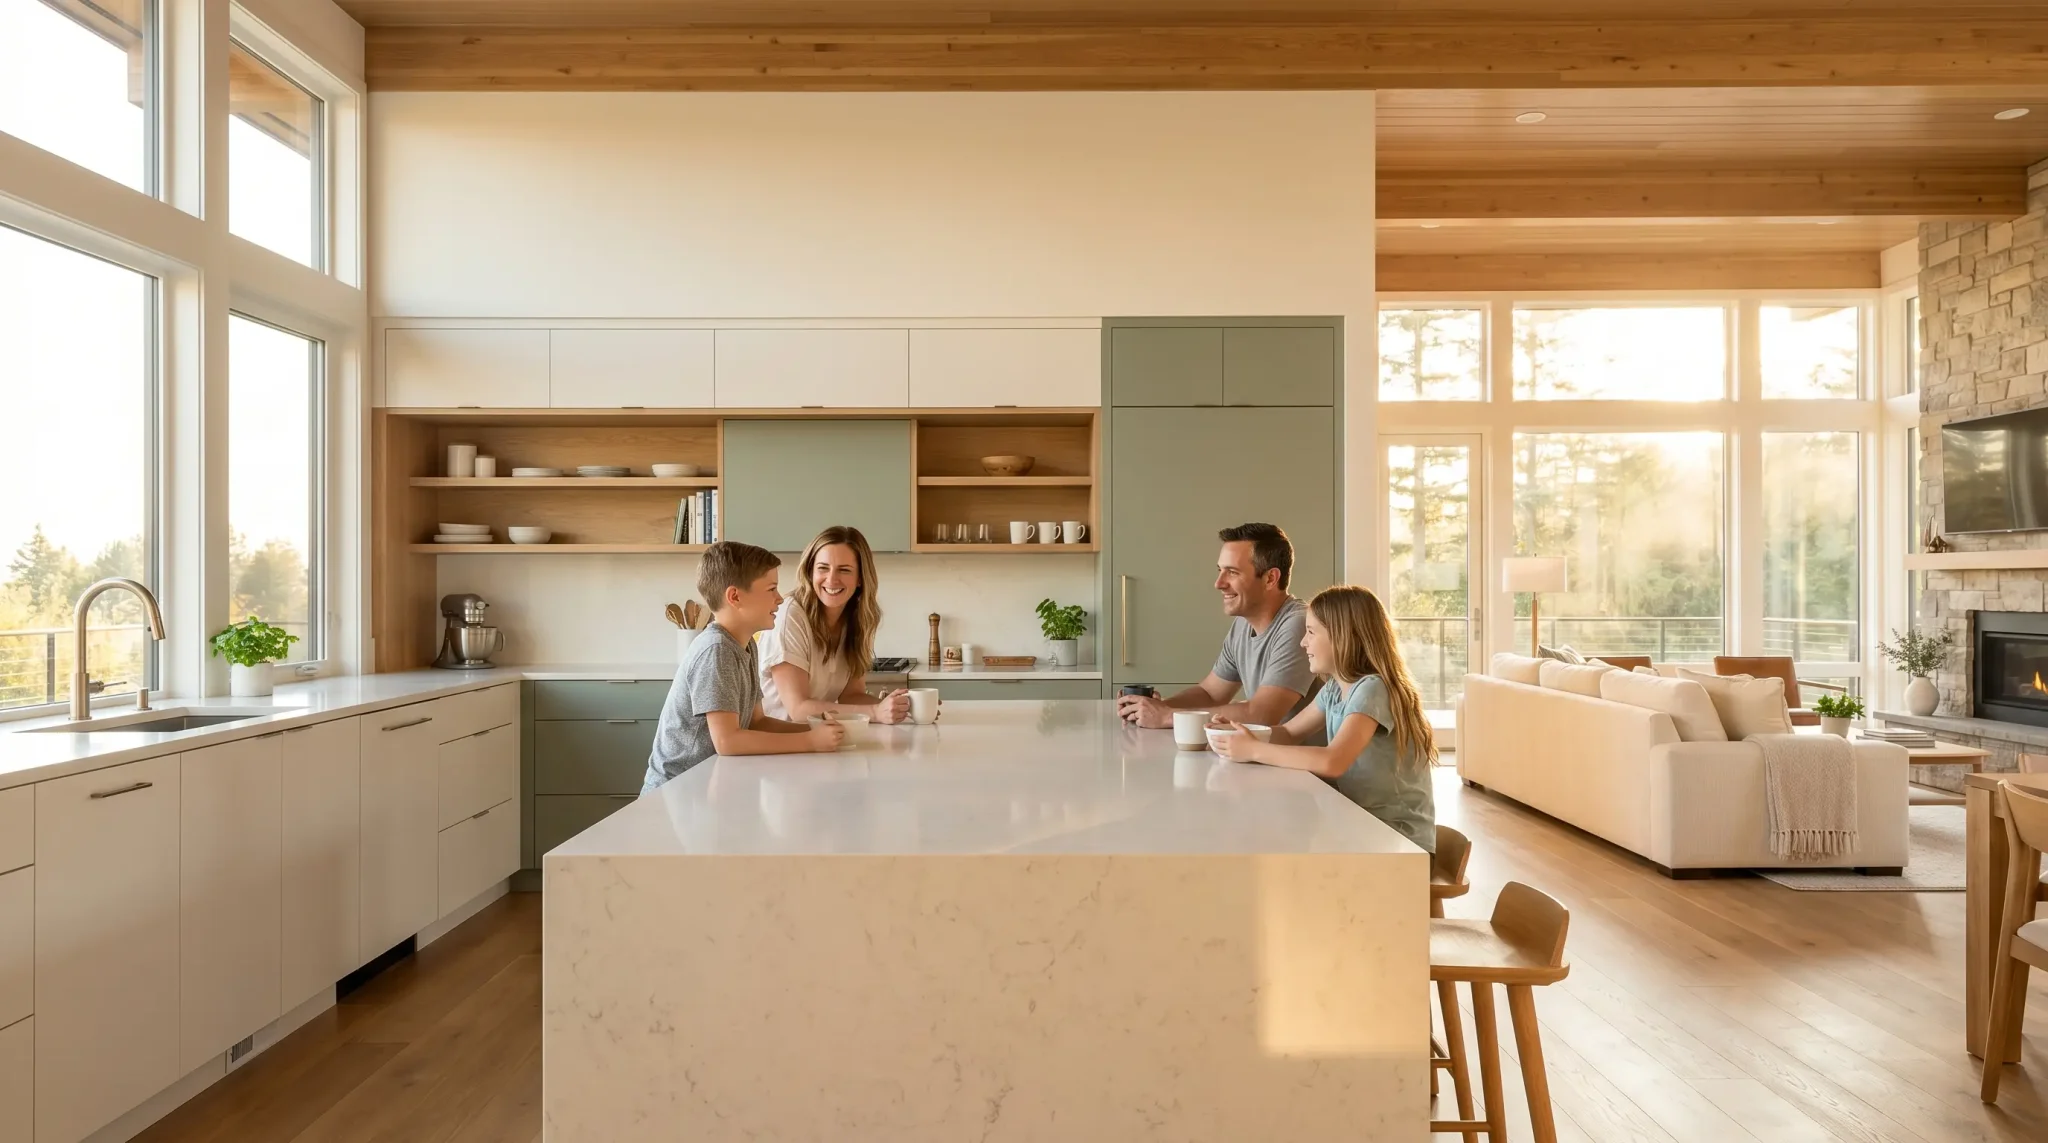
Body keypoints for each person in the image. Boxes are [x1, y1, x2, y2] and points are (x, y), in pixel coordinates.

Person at [1210, 584, 1436, 854]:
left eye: (1310, 632)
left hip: (1398, 841)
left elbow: (1333, 761)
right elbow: (1289, 733)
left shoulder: (1372, 689)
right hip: (1360, 829)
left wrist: (1255, 749)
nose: (1303, 642)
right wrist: (1240, 733)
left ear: (1342, 637)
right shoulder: (1334, 688)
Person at [642, 540, 844, 794]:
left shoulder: (746, 645)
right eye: (771, 589)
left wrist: (815, 728)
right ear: (735, 596)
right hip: (675, 794)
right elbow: (728, 741)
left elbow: (757, 722)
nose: (780, 598)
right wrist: (811, 741)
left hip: (704, 789)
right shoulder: (716, 650)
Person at [1115, 522, 1316, 731]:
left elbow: (1262, 714)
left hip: (1301, 762)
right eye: (1220, 570)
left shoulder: (1300, 624)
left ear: (1270, 578)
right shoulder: (1242, 624)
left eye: (1232, 572)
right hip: (1267, 757)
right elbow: (1210, 693)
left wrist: (1168, 716)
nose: (1218, 583)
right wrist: (1159, 707)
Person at [760, 525, 912, 724]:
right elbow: (799, 709)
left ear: (860, 578)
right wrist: (875, 712)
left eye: (844, 570)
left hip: (819, 739)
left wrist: (902, 708)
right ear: (810, 572)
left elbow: (852, 696)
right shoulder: (790, 615)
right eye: (823, 568)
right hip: (778, 744)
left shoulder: (856, 618)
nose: (831, 579)